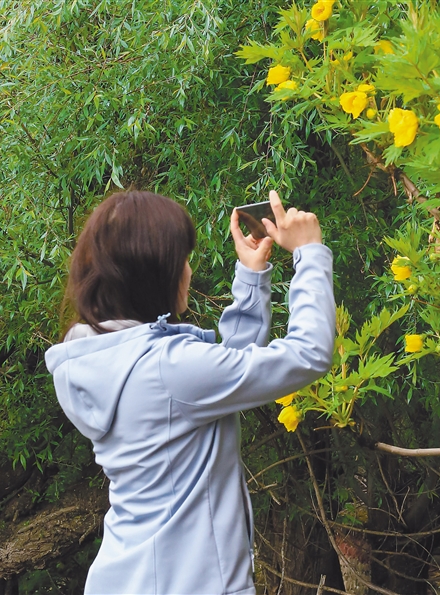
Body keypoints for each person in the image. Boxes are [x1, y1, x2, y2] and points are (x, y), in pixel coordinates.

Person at [45, 189, 335, 595]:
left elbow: (221, 377)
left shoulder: (98, 360)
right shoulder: (168, 368)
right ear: (152, 274)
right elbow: (308, 354)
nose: (188, 270)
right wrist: (310, 253)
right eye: (181, 259)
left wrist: (251, 277)